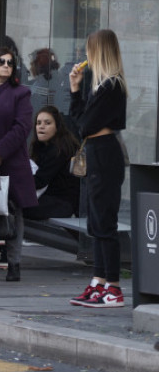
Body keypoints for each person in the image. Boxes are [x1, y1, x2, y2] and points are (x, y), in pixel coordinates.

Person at [68, 29, 128, 308]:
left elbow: (84, 125)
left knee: (105, 222)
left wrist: (82, 110)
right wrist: (76, 90)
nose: (85, 56)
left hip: (104, 151)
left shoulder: (111, 85)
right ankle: (99, 281)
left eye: (89, 49)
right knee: (95, 221)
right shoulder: (100, 85)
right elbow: (79, 121)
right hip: (97, 149)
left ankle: (112, 286)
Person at [0, 46, 36, 282]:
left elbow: (22, 127)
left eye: (9, 62)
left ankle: (14, 264)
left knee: (13, 213)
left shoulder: (20, 92)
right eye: (0, 61)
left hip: (11, 160)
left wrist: (0, 152)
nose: (5, 65)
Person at [24, 105, 81, 221]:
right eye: (38, 123)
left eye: (47, 123)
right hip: (49, 199)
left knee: (16, 205)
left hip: (62, 204)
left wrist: (15, 183)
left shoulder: (59, 150)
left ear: (57, 127)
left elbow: (40, 181)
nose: (41, 127)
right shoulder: (44, 147)